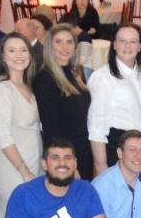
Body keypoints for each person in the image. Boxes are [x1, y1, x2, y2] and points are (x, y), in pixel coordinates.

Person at [0, 33, 43, 218]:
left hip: (33, 164)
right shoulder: (2, 89)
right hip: (13, 169)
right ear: (2, 56)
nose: (19, 55)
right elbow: (2, 136)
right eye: (12, 50)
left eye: (23, 50)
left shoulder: (27, 86)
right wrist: (24, 171)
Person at [33, 24, 96, 179]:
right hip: (65, 157)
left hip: (83, 151)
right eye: (58, 42)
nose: (65, 47)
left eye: (69, 42)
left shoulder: (76, 72)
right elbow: (51, 128)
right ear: (50, 46)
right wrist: (68, 163)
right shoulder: (45, 79)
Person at [87, 23, 141, 171]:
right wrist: (102, 166)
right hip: (119, 145)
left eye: (133, 42)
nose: (127, 46)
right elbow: (96, 127)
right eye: (122, 41)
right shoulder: (103, 77)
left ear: (139, 46)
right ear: (114, 44)